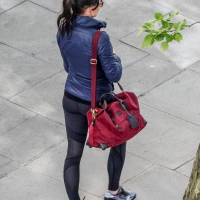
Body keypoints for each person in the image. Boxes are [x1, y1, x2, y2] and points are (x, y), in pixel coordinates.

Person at [57, 0, 136, 200]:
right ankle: (114, 192)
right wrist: (115, 57)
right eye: (101, 2)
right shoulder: (100, 37)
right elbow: (114, 75)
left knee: (73, 154)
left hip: (71, 98)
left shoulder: (64, 29)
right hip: (99, 104)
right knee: (119, 141)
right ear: (92, 8)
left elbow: (68, 67)